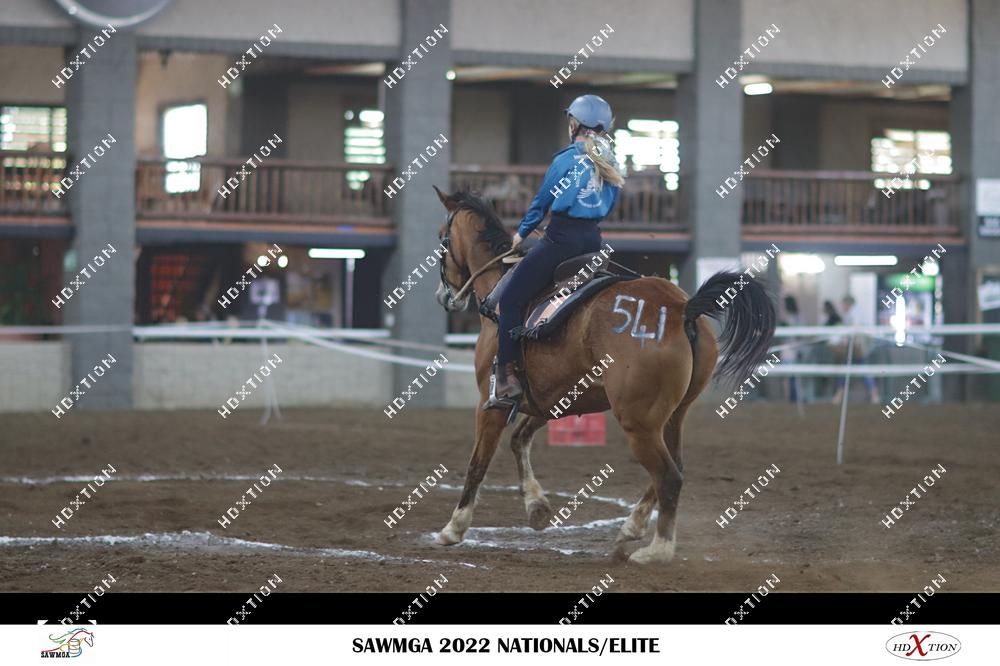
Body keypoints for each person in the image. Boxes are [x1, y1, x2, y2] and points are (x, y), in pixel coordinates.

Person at [487, 94, 625, 409]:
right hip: (593, 241)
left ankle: (506, 375)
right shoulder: (611, 161)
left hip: (562, 239)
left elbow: (542, 203)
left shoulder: (566, 159)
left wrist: (521, 234)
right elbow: (611, 204)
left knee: (511, 299)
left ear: (575, 124)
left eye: (570, 120)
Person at [832, 295, 881, 405]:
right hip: (856, 348)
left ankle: (839, 396)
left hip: (859, 348)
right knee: (858, 370)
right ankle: (874, 395)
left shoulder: (854, 314)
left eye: (843, 304)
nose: (842, 307)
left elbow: (855, 330)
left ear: (847, 303)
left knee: (859, 370)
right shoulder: (853, 313)